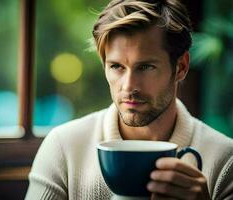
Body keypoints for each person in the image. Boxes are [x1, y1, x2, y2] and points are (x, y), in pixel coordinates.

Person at [25, 0, 233, 199]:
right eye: (116, 66)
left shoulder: (226, 161)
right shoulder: (64, 147)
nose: (128, 86)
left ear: (181, 67)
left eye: (145, 67)